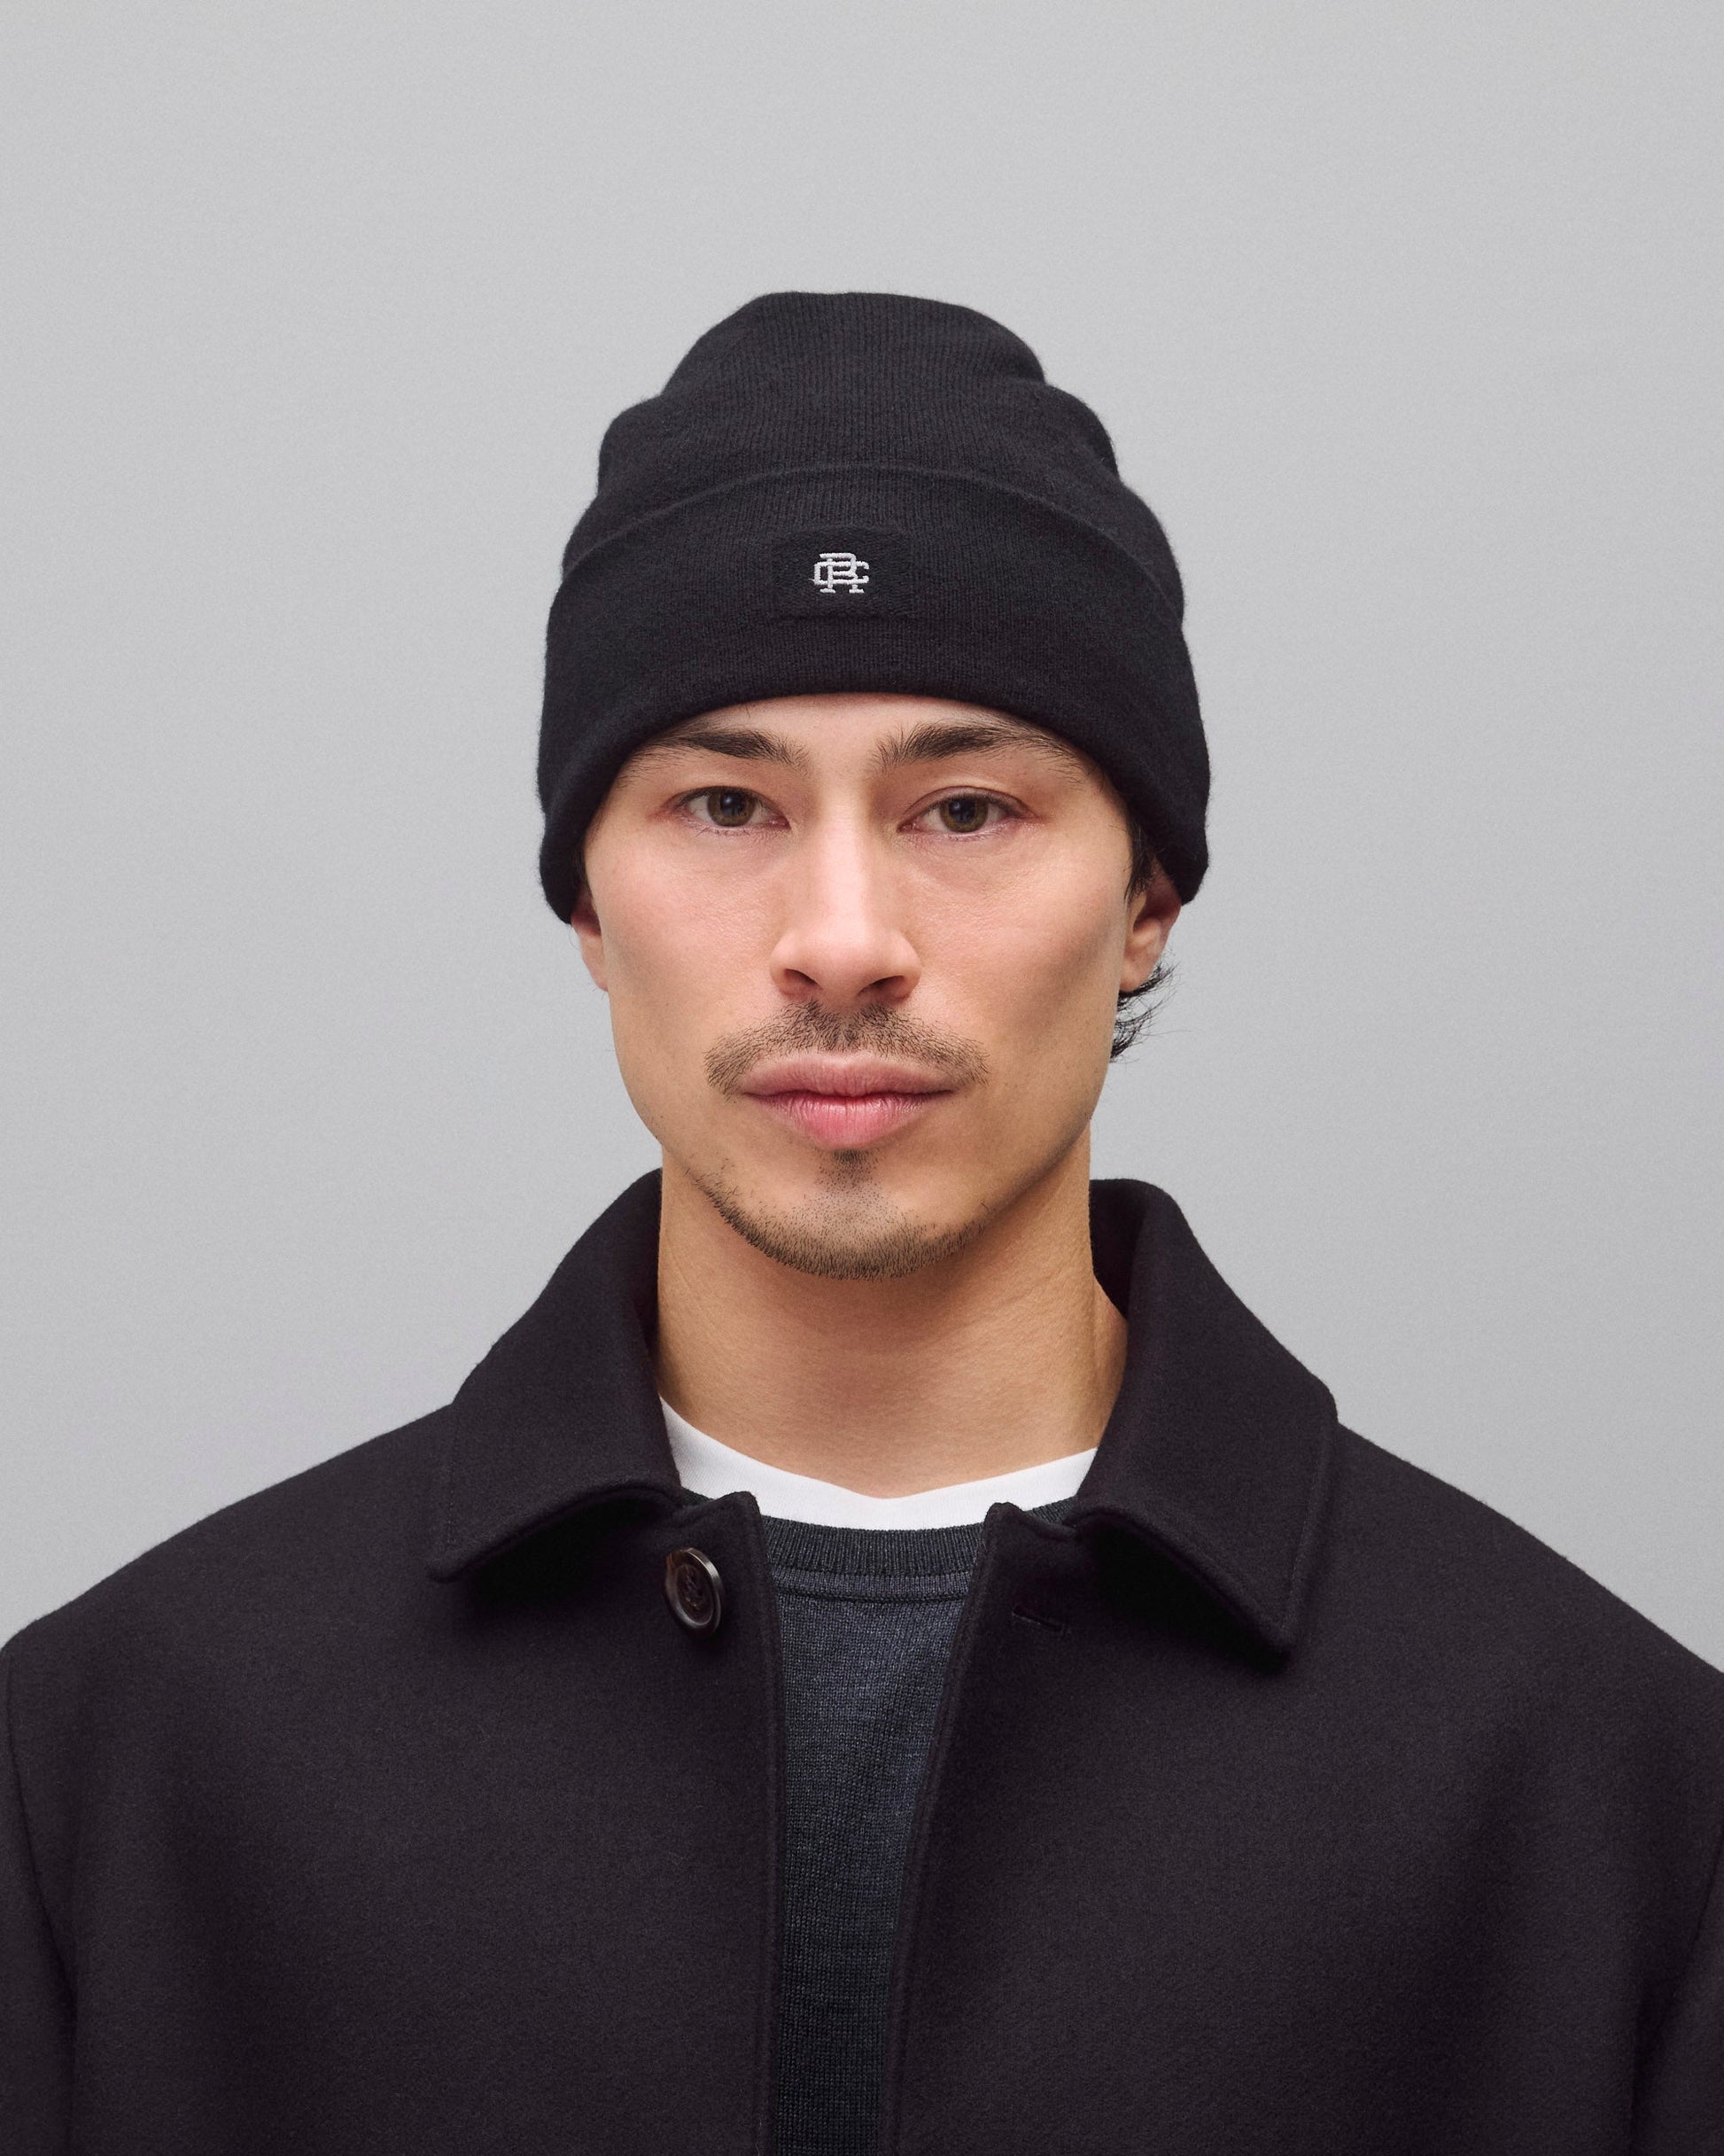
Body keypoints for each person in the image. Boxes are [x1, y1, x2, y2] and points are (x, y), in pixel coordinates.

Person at [3, 292, 1720, 2156]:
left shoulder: (1609, 1795)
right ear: (587, 900)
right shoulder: (115, 1762)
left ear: (1145, 897)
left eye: (964, 808)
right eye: (722, 802)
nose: (839, 938)